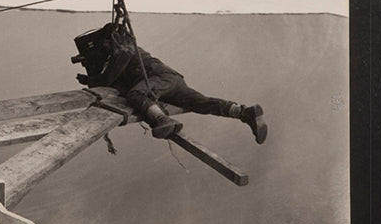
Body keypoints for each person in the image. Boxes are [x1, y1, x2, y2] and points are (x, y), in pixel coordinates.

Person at [74, 22, 267, 143]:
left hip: (159, 79)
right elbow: (113, 83)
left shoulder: (123, 49)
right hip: (172, 80)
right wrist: (92, 78)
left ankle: (162, 120)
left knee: (137, 94)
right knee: (200, 102)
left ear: (110, 40)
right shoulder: (124, 51)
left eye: (105, 43)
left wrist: (89, 79)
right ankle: (243, 112)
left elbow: (109, 77)